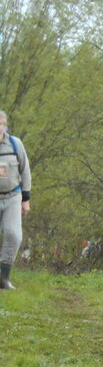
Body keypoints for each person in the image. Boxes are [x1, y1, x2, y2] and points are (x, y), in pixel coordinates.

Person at [0, 111, 32, 291]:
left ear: (5, 125)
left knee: (13, 235)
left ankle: (3, 278)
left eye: (0, 124)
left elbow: (25, 171)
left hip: (13, 196)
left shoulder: (15, 144)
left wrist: (25, 199)